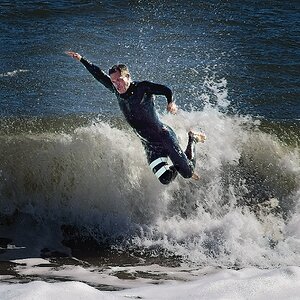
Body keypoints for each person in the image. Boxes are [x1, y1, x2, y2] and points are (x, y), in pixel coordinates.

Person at [66, 51, 206, 184]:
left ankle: (192, 138)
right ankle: (181, 165)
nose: (116, 84)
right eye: (113, 81)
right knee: (165, 179)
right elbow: (99, 75)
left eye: (119, 80)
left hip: (163, 136)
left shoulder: (142, 88)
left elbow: (165, 90)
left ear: (127, 76)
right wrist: (81, 59)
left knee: (187, 174)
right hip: (149, 144)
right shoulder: (115, 89)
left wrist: (170, 102)